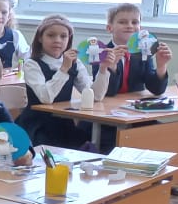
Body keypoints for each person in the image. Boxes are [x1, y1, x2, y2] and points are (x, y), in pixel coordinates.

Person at [16, 15, 113, 149]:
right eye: (51, 35)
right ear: (40, 38)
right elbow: (46, 98)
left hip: (63, 123)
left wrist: (103, 69)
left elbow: (95, 96)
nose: (57, 40)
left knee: (91, 143)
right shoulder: (32, 64)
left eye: (63, 36)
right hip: (38, 124)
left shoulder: (75, 63)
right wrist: (63, 69)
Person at [96, 3, 172, 96]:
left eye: (135, 22)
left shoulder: (143, 53)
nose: (129, 26)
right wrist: (112, 66)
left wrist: (161, 66)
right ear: (109, 28)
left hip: (135, 103)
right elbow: (108, 93)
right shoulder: (101, 53)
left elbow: (156, 90)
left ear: (140, 28)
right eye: (122, 22)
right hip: (108, 103)